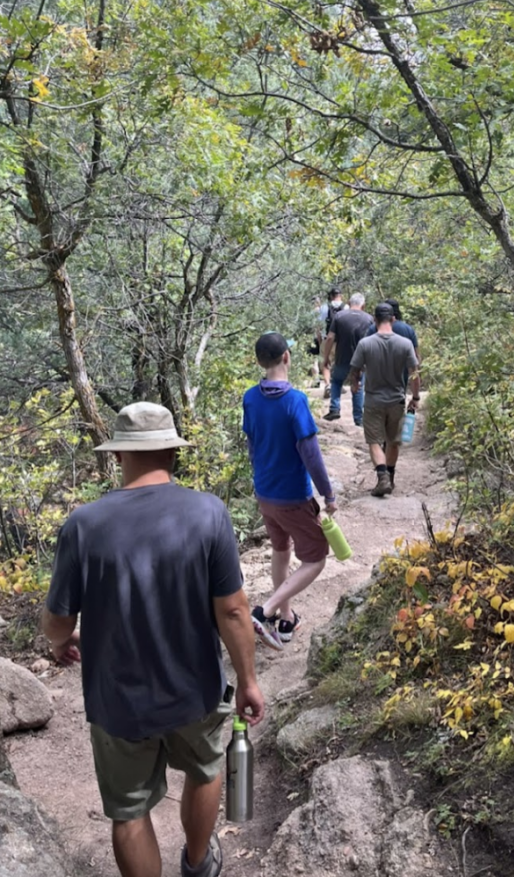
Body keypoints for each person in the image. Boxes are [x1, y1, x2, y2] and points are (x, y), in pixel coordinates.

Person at [42, 401, 264, 877]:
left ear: (120, 456)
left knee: (129, 810)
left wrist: (62, 643)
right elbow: (233, 609)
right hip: (196, 689)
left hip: (118, 701)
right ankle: (199, 861)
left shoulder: (84, 525)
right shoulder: (208, 513)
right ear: (171, 453)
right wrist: (248, 679)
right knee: (205, 770)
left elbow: (58, 620)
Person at [243, 332, 337, 651]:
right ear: (286, 357)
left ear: (260, 361)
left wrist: (259, 482)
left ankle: (287, 618)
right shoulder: (294, 401)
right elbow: (310, 454)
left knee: (281, 550)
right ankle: (265, 611)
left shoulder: (250, 398)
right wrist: (329, 496)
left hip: (265, 493)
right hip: (293, 496)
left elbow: (252, 446)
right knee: (316, 558)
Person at [349, 303, 420, 497]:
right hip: (397, 400)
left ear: (375, 319)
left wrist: (354, 385)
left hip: (373, 401)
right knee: (393, 441)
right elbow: (414, 374)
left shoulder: (366, 343)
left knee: (374, 441)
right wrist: (415, 397)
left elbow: (355, 370)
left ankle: (382, 478)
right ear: (393, 319)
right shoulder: (405, 344)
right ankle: (390, 476)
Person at [322, 292, 373, 425]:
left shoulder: (339, 316)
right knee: (358, 386)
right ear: (364, 305)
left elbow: (330, 338)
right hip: (361, 360)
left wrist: (326, 357)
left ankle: (334, 408)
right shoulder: (369, 319)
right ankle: (358, 418)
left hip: (342, 357)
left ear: (349, 303)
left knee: (337, 381)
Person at [365, 298, 421, 390]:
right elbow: (416, 355)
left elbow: (366, 352)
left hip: (377, 375)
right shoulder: (408, 329)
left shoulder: (373, 328)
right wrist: (417, 373)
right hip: (401, 375)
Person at [318, 286, 345, 397]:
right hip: (341, 341)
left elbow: (318, 326)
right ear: (340, 295)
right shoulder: (347, 307)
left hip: (326, 339)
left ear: (330, 296)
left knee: (325, 362)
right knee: (339, 363)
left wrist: (320, 340)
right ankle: (338, 384)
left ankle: (328, 384)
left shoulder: (323, 308)